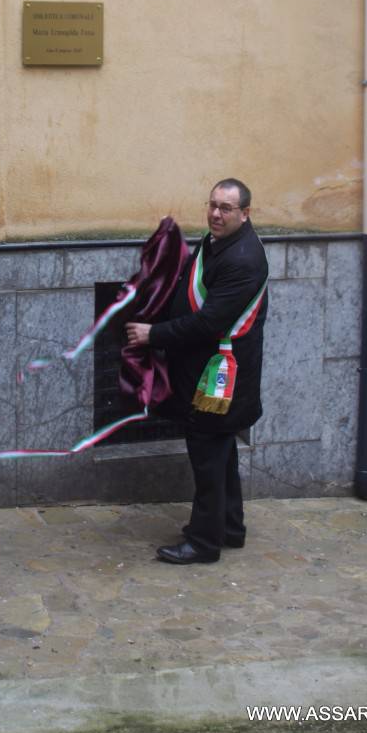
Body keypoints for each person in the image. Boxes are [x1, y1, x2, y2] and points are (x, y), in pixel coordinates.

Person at [126, 178, 268, 565]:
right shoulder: (219, 242)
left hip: (220, 375)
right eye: (212, 205)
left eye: (226, 209)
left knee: (207, 455)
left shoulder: (243, 259)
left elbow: (207, 323)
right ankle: (230, 528)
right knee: (221, 453)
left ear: (245, 214)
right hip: (209, 368)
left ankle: (204, 542)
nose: (216, 214)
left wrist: (154, 334)